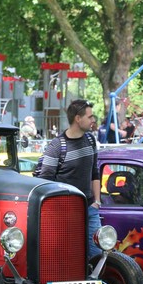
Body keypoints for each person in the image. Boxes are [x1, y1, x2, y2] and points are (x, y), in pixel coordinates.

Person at [38, 99, 101, 259]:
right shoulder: (57, 145)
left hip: (89, 208)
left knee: (97, 255)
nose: (93, 120)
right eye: (89, 117)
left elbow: (95, 172)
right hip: (63, 212)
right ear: (78, 119)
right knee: (67, 255)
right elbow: (45, 180)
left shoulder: (90, 140)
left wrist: (97, 201)